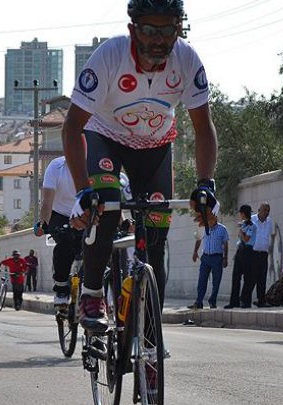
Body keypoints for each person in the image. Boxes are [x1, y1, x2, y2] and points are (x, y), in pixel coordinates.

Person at [63, 0, 218, 333]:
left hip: (155, 147)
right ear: (133, 30)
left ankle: (148, 338)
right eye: (149, 30)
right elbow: (72, 127)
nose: (158, 40)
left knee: (156, 242)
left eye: (167, 30)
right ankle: (92, 293)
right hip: (105, 137)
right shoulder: (109, 56)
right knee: (105, 206)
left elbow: (204, 129)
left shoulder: (187, 59)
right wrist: (82, 191)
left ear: (178, 29)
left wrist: (206, 184)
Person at [36, 155, 84, 316]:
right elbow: (47, 202)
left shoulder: (94, 163)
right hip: (60, 214)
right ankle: (61, 288)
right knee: (65, 244)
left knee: (93, 247)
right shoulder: (56, 166)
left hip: (86, 213)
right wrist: (43, 224)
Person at [190, 212, 228, 309]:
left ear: (215, 218)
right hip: (205, 257)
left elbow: (225, 244)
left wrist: (225, 258)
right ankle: (199, 302)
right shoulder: (203, 227)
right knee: (202, 280)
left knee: (216, 281)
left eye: (210, 219)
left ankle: (212, 301)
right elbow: (198, 239)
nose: (209, 221)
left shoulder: (222, 229)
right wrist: (195, 252)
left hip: (217, 258)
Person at [250, 202, 273, 307]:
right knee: (251, 278)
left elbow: (268, 236)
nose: (266, 212)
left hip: (263, 253)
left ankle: (261, 301)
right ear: (259, 210)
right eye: (264, 210)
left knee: (262, 278)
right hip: (252, 253)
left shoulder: (269, 222)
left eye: (268, 210)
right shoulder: (251, 220)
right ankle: (245, 300)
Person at [237, 205, 260, 308]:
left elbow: (246, 239)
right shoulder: (244, 224)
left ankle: (245, 300)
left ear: (243, 213)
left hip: (248, 251)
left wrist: (241, 231)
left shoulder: (251, 225)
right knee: (238, 276)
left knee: (248, 277)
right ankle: (240, 299)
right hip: (241, 250)